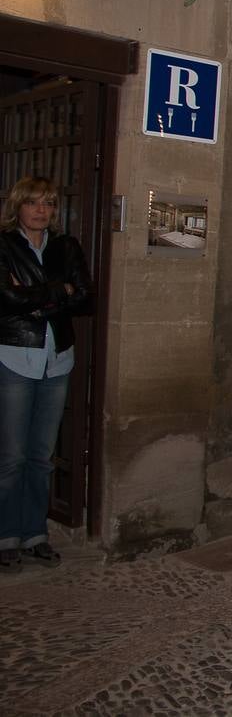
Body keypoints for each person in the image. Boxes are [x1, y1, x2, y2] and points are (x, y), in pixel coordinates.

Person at [0, 177, 93, 572]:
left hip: (58, 359)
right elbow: (5, 299)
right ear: (18, 206)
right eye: (34, 203)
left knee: (41, 456)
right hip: (15, 355)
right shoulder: (4, 245)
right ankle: (6, 536)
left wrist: (35, 298)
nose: (42, 210)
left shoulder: (65, 246)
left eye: (49, 203)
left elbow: (86, 297)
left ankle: (35, 532)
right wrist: (59, 292)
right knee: (12, 456)